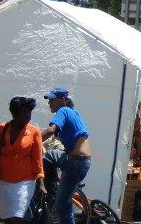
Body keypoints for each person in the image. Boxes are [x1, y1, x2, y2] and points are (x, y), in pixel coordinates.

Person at [40, 88, 91, 224]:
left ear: (62, 100)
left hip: (75, 163)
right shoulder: (74, 113)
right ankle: (54, 184)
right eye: (48, 100)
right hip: (77, 160)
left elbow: (51, 130)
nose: (49, 103)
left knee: (62, 204)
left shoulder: (63, 110)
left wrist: (31, 142)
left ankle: (52, 191)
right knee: (49, 156)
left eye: (52, 100)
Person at [0, 97, 45, 224]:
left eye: (29, 112)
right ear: (14, 113)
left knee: (17, 218)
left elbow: (37, 159)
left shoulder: (34, 132)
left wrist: (41, 183)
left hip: (25, 181)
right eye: (24, 112)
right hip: (3, 180)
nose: (28, 115)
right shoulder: (2, 128)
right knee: (8, 219)